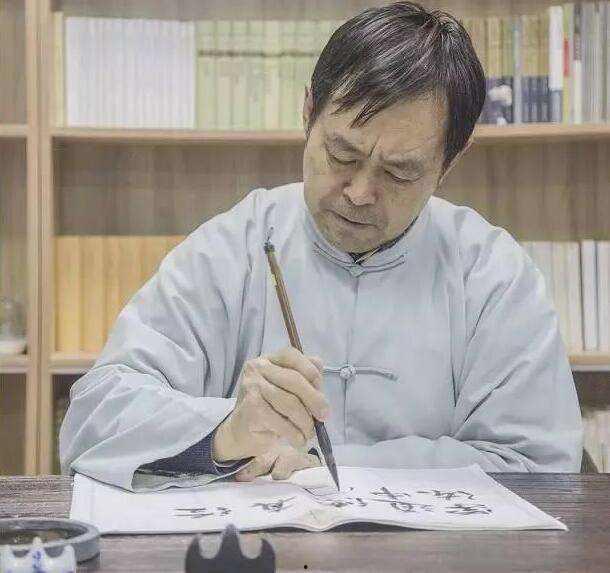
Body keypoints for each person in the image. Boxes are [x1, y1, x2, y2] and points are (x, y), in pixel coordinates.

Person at [60, 1, 583, 492]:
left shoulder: (492, 274)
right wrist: (224, 431)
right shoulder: (233, 247)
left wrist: (336, 467)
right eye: (341, 154)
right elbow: (95, 419)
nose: (359, 193)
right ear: (308, 111)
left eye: (400, 172)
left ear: (450, 161)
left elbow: (538, 464)